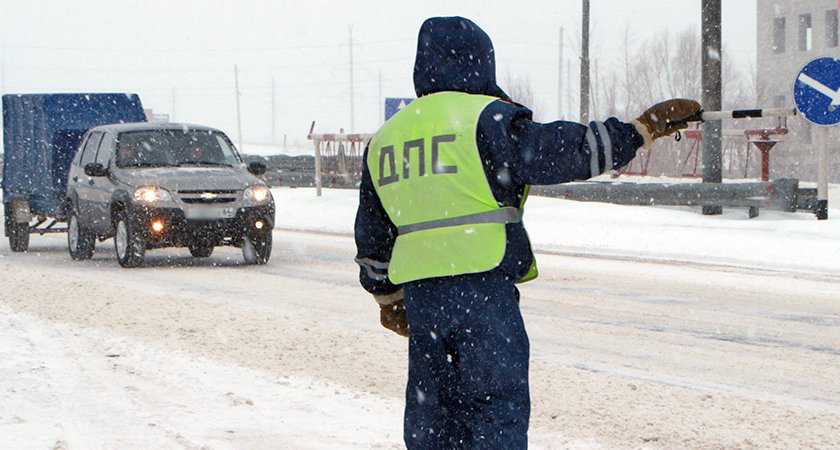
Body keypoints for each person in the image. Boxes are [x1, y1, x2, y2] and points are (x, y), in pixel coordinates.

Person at [354, 16, 701, 449]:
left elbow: (372, 234)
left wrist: (386, 297)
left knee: (434, 417)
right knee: (495, 411)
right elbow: (568, 151)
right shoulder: (486, 119)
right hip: (482, 290)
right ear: (481, 63)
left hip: (423, 300)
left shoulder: (387, 138)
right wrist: (641, 130)